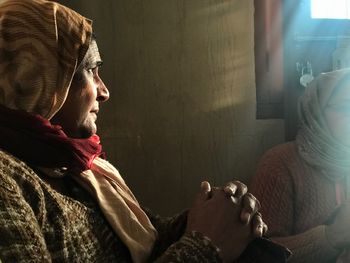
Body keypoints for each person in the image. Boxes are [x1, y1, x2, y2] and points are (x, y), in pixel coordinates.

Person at [0, 0, 290, 262]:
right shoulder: (6, 181)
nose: (104, 92)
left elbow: (144, 240)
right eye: (89, 71)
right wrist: (207, 244)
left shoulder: (74, 165)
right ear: (34, 79)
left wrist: (219, 216)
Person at [251, 68, 350, 262]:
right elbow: (259, 255)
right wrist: (332, 236)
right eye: (346, 107)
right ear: (317, 112)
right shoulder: (279, 164)